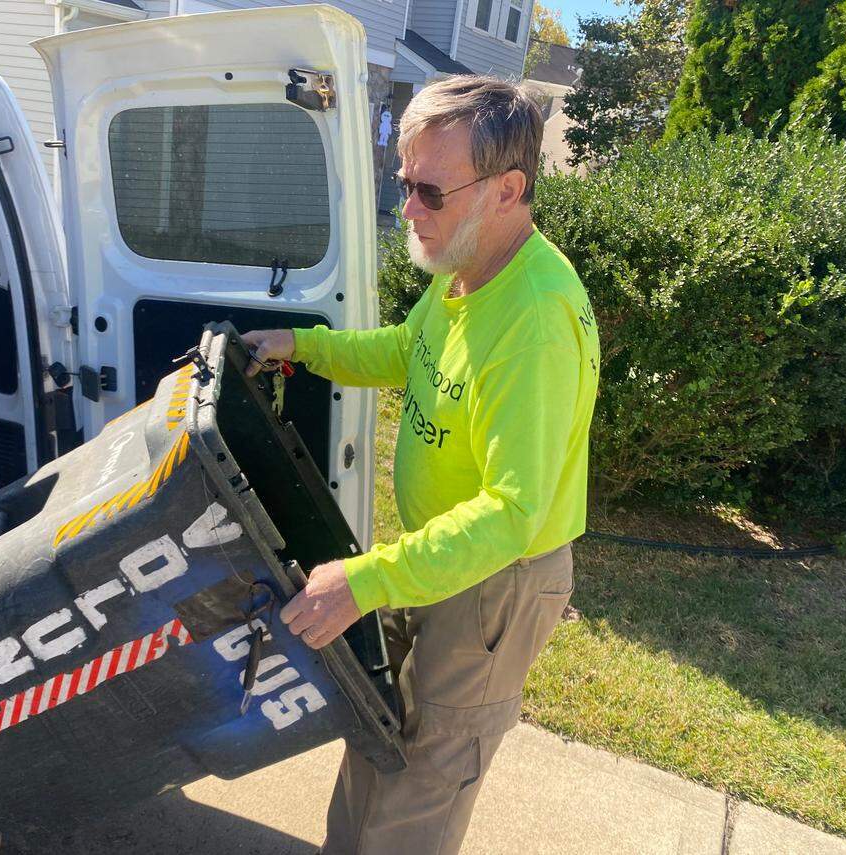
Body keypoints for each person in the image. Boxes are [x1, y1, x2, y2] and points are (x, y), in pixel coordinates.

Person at [241, 74, 600, 855]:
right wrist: (301, 345)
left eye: (430, 191)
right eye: (403, 183)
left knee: (423, 787)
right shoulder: (470, 272)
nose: (408, 209)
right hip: (437, 558)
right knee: (377, 732)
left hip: (494, 584)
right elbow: (408, 350)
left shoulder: (533, 321)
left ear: (508, 189)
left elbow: (513, 514)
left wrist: (366, 579)